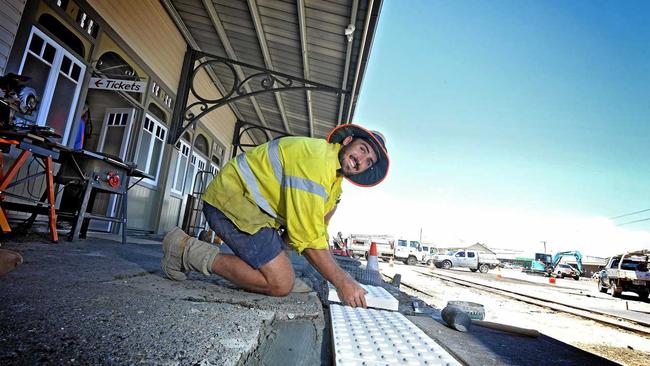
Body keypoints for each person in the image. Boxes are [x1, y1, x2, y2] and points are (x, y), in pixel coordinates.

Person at [161, 124, 389, 308]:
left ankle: (277, 274)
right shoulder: (316, 160)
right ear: (347, 141)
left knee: (283, 274)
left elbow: (318, 229)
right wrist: (342, 281)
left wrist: (294, 258)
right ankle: (184, 250)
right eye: (362, 149)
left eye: (369, 161)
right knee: (280, 285)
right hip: (231, 201)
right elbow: (307, 236)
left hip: (255, 214)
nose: (361, 160)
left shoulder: (335, 185)